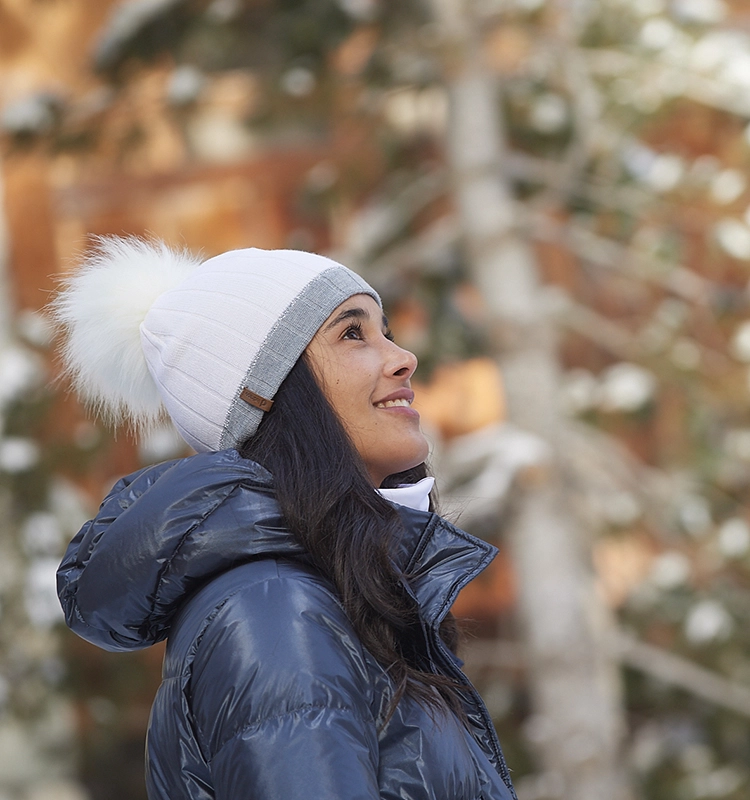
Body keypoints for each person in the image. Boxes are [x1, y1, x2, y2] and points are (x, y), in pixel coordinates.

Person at [54, 237, 517, 800]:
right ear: (267, 394)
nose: (402, 357)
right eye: (353, 333)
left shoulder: (322, 596)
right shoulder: (277, 612)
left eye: (384, 330)